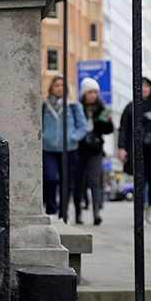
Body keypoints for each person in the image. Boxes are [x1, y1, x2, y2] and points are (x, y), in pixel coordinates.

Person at [117, 76, 151, 225]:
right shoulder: (131, 107)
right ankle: (141, 205)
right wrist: (121, 147)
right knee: (139, 179)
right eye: (141, 87)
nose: (144, 90)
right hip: (136, 149)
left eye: (146, 87)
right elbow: (123, 129)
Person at [42, 75, 86, 219]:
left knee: (66, 182)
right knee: (49, 178)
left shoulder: (74, 106)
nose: (60, 88)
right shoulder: (43, 106)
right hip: (48, 149)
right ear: (51, 88)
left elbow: (82, 126)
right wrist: (43, 137)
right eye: (57, 85)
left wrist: (73, 137)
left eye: (63, 85)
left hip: (69, 149)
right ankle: (50, 209)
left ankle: (64, 212)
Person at [74, 77, 115, 225]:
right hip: (79, 149)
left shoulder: (102, 109)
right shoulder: (77, 107)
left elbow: (109, 129)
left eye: (95, 92)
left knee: (94, 180)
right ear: (84, 93)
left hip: (95, 149)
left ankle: (96, 212)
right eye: (90, 92)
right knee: (78, 181)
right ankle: (78, 213)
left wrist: (102, 121)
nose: (93, 95)